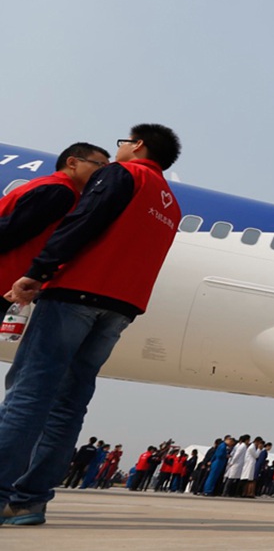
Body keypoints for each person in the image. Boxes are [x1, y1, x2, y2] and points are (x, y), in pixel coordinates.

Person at [0, 124, 181, 526]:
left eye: (123, 143)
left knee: (29, 392)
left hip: (77, 294)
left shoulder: (123, 174)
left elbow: (83, 221)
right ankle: (29, 502)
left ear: (138, 145)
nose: (116, 152)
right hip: (122, 308)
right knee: (70, 403)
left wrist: (38, 271)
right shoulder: (172, 205)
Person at [0, 143, 110, 313]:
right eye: (100, 165)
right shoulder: (59, 191)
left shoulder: (48, 185)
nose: (104, 174)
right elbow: (12, 231)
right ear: (72, 162)